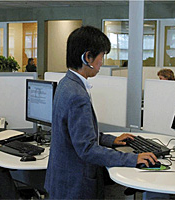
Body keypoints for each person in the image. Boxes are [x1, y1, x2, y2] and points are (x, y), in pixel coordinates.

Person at [44, 26, 157, 199]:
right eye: (102, 56)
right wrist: (132, 159)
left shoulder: (65, 84)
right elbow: (87, 149)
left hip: (63, 178)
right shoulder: (77, 95)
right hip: (75, 186)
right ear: (87, 57)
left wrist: (111, 140)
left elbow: (77, 133)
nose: (102, 62)